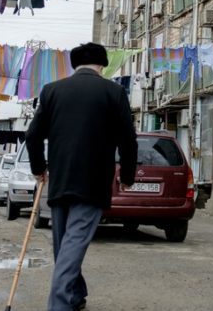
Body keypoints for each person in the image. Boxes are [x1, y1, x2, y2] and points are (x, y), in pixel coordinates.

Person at [26, 42, 137, 311]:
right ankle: (60, 305)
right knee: (72, 244)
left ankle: (75, 295)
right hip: (93, 181)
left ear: (75, 65)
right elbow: (128, 139)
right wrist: (128, 175)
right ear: (102, 65)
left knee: (64, 244)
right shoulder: (114, 91)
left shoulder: (52, 91)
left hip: (60, 179)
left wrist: (39, 168)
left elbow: (32, 135)